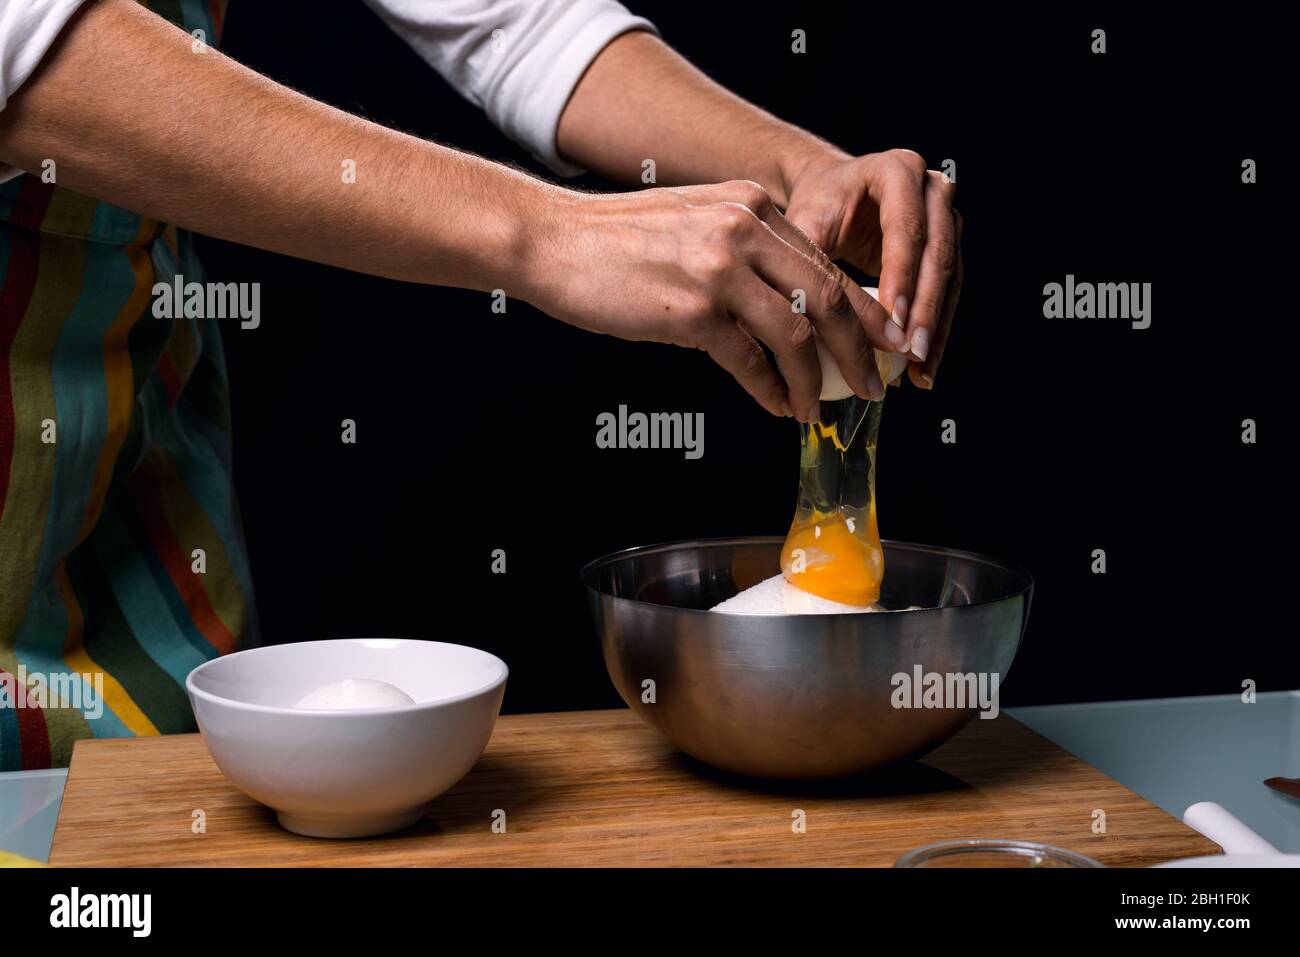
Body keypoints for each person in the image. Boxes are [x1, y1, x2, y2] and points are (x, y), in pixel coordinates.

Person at [0, 0, 961, 769]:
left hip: (135, 502)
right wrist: (549, 234)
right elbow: (26, 52)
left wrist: (799, 168)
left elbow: (516, 22)